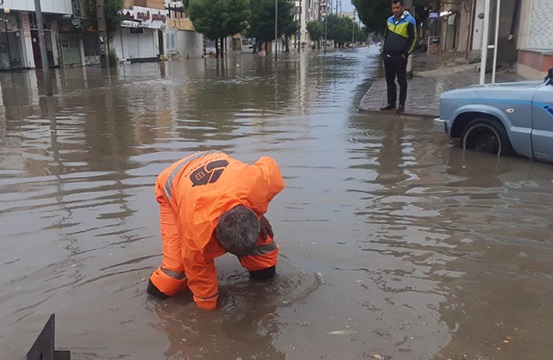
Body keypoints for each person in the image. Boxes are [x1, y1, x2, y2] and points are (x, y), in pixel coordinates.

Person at [146, 150, 285, 310]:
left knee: (264, 257)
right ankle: (148, 305)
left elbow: (269, 164)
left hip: (214, 160)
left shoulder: (258, 183)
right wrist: (208, 315)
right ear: (218, 241)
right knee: (173, 274)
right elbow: (201, 281)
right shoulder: (195, 233)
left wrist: (259, 214)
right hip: (172, 181)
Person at [380, 0, 417, 114]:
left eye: (397, 8)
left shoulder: (409, 21)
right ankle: (391, 103)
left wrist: (405, 54)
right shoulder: (389, 20)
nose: (395, 10)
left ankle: (401, 104)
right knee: (390, 81)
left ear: (402, 8)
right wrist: (384, 52)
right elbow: (386, 37)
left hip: (400, 57)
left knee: (401, 81)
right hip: (389, 56)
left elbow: (413, 38)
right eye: (394, 8)